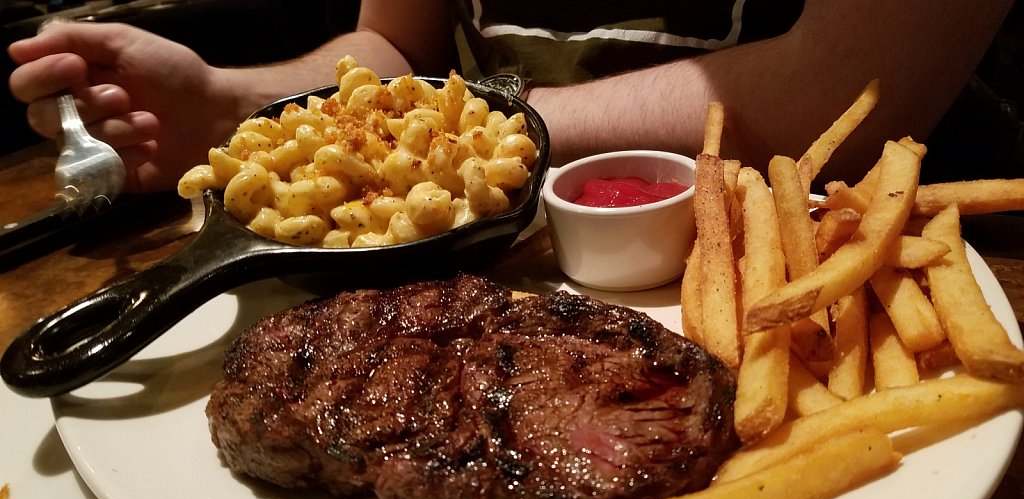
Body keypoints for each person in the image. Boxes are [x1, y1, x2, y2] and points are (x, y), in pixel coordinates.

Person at [7, 0, 1014, 195]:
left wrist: (481, 132)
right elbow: (391, 45)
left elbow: (844, 96)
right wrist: (240, 111)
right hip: (480, 260)